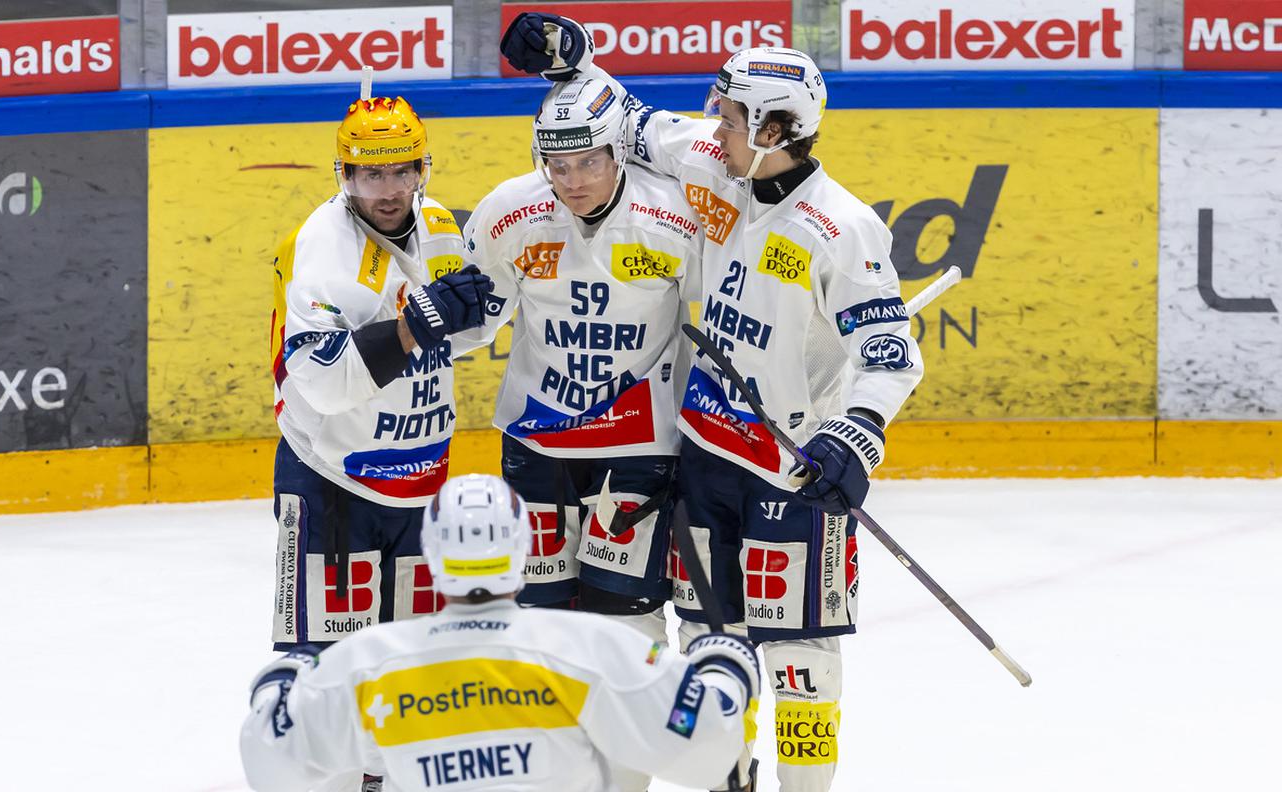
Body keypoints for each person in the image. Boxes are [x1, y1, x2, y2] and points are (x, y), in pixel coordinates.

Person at [501, 15, 925, 791]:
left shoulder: (844, 228)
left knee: (799, 660)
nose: (713, 125)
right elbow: (624, 120)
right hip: (703, 458)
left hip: (792, 476)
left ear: (776, 128)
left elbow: (892, 357)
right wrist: (571, 59)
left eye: (729, 116)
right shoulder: (709, 161)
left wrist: (853, 438)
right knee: (706, 645)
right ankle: (727, 779)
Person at [240, 474, 761, 792]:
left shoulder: (368, 663)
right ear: (522, 547)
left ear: (432, 554)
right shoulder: (592, 647)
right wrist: (726, 667)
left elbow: (270, 765)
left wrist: (282, 680)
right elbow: (706, 753)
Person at [461, 73, 703, 646]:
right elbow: (473, 321)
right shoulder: (510, 211)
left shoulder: (672, 215)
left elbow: (730, 309)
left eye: (589, 162)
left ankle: (635, 736)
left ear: (619, 152)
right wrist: (429, 317)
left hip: (639, 444)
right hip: (538, 443)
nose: (572, 181)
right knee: (541, 624)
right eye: (557, 165)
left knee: (626, 624)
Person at [268, 94, 495, 652]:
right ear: (344, 174)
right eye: (371, 174)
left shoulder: (439, 225)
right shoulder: (320, 253)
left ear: (423, 170)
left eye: (402, 171)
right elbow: (319, 382)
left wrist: (474, 307)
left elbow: (460, 333)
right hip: (332, 480)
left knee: (415, 663)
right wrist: (414, 324)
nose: (390, 190)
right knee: (325, 666)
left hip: (422, 482)